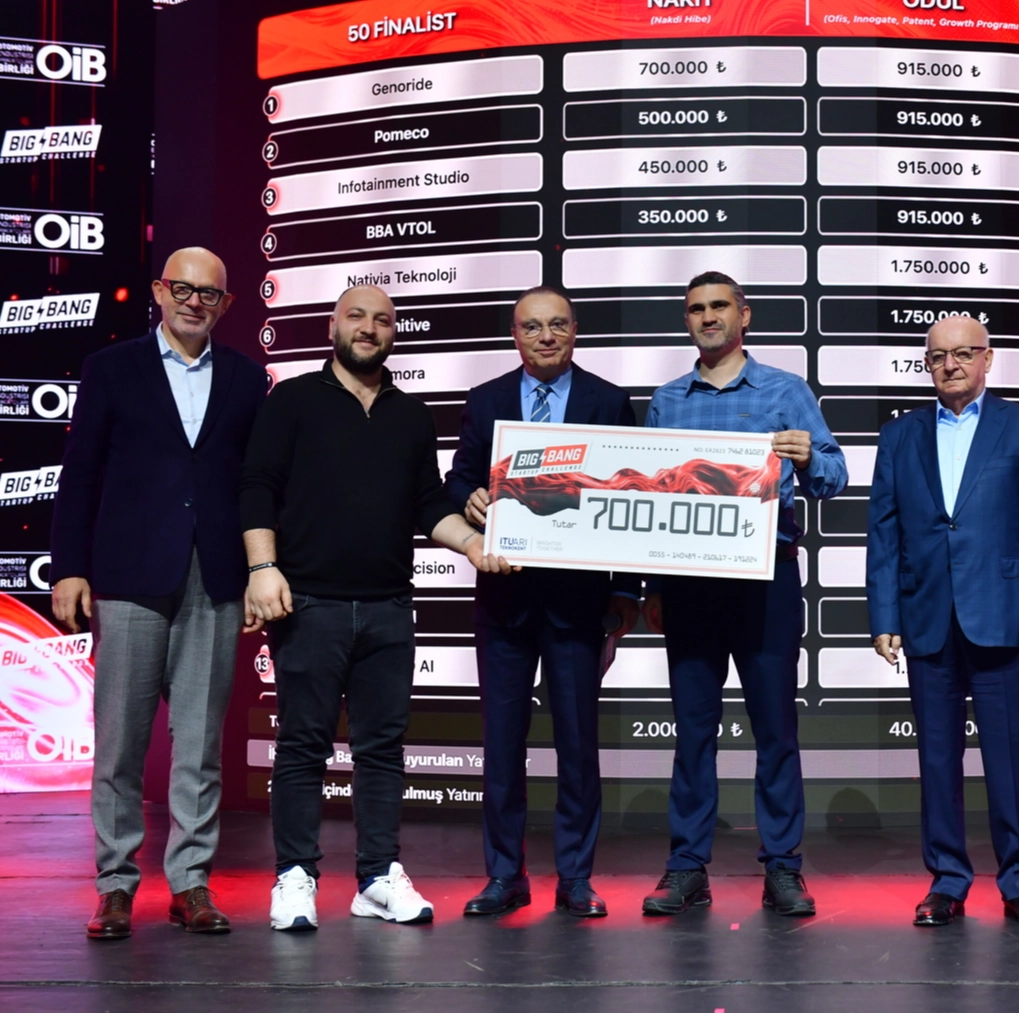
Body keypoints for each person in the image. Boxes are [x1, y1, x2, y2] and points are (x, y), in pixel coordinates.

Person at [241, 284, 500, 931]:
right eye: (357, 316)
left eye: (382, 319)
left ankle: (378, 877)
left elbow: (429, 503)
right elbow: (258, 487)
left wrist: (475, 543)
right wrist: (263, 568)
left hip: (388, 607)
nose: (369, 327)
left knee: (382, 750)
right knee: (303, 746)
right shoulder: (292, 399)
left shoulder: (410, 415)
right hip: (308, 605)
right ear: (334, 325)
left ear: (393, 333)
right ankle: (294, 876)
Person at [50, 247, 267, 939]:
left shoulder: (246, 378)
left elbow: (255, 483)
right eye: (182, 288)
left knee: (199, 743)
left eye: (209, 293)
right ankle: (116, 885)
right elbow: (80, 472)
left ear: (226, 304)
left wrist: (261, 569)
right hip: (128, 576)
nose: (194, 301)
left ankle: (190, 882)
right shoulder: (111, 367)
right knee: (120, 742)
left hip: (217, 578)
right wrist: (69, 567)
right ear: (159, 290)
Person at [639, 271, 847, 917]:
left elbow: (834, 477)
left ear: (744, 314)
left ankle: (783, 867)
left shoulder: (786, 390)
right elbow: (649, 502)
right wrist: (650, 587)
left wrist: (808, 457)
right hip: (689, 586)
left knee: (775, 730)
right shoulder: (666, 400)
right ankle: (686, 867)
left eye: (719, 306)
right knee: (692, 733)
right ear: (686, 320)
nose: (708, 317)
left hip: (766, 581)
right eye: (695, 308)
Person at [865, 316, 1019, 928]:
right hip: (927, 617)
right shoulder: (899, 436)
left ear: (988, 358)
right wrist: (884, 615)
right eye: (938, 357)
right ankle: (947, 881)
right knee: (936, 761)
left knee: (1011, 759)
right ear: (926, 364)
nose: (950, 365)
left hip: (1006, 617)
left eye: (963, 354)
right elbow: (884, 534)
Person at [445, 286, 639, 919]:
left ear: (575, 330)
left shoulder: (608, 401)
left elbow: (634, 499)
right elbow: (458, 478)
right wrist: (470, 497)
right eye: (532, 327)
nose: (546, 336)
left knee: (578, 748)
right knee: (502, 747)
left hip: (578, 605)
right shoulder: (487, 400)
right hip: (503, 601)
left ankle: (576, 878)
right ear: (515, 334)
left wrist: (624, 592)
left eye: (557, 325)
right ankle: (505, 875)